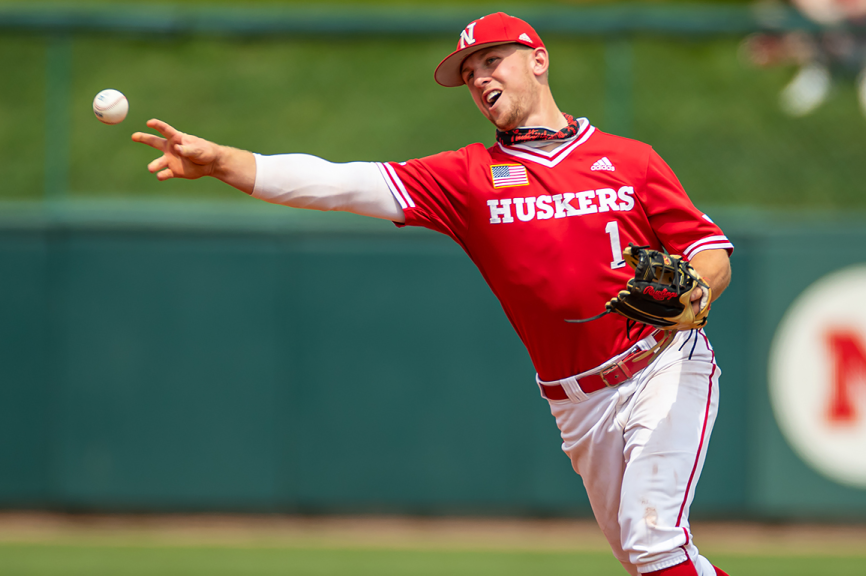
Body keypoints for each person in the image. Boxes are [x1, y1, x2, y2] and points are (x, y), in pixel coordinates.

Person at [132, 13, 733, 576]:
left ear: (539, 60)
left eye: (492, 61)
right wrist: (224, 162)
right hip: (576, 405)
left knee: (654, 543)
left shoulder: (629, 160)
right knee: (643, 559)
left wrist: (698, 289)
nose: (479, 79)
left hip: (660, 367)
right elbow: (339, 183)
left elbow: (708, 249)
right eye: (469, 74)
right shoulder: (465, 178)